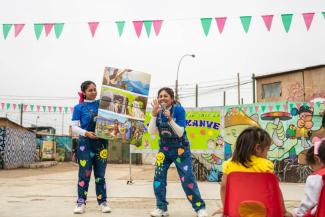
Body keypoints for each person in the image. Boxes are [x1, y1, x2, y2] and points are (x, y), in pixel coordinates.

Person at [148, 87, 208, 217]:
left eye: (166, 96)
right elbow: (151, 132)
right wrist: (153, 115)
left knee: (187, 178)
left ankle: (199, 208)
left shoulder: (179, 110)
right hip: (164, 150)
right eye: (160, 96)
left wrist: (170, 119)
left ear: (172, 98)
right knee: (158, 177)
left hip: (181, 149)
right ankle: (161, 208)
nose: (162, 98)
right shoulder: (156, 112)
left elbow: (180, 132)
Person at [212, 127, 292, 217]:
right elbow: (275, 190)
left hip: (238, 211)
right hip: (263, 211)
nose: (267, 154)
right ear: (257, 148)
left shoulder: (229, 164)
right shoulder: (266, 165)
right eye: (267, 150)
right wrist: (284, 211)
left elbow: (223, 187)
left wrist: (226, 208)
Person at [71, 81, 111, 214]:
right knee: (84, 175)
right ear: (84, 92)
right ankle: (81, 202)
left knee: (100, 176)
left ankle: (103, 202)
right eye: (90, 90)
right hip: (85, 145)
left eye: (95, 90)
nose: (93, 92)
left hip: (102, 144)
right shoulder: (79, 108)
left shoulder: (103, 104)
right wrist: (86, 133)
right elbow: (74, 127)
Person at [293, 137, 325, 217]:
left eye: (311, 167)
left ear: (317, 159)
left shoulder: (317, 177)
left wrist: (296, 213)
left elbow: (307, 205)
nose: (312, 170)